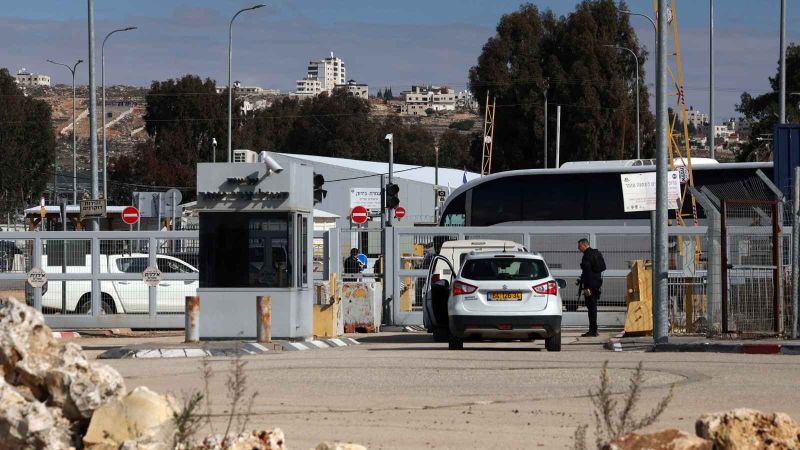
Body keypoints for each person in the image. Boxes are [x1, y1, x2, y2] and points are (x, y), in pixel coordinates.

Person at [578, 238, 606, 337]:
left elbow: (587, 273)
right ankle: (593, 329)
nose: (578, 248)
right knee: (593, 308)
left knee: (591, 308)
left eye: (579, 246)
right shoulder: (596, 253)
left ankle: (593, 330)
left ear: (584, 245)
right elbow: (601, 268)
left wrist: (587, 287)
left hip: (590, 285)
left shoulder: (587, 255)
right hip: (597, 283)